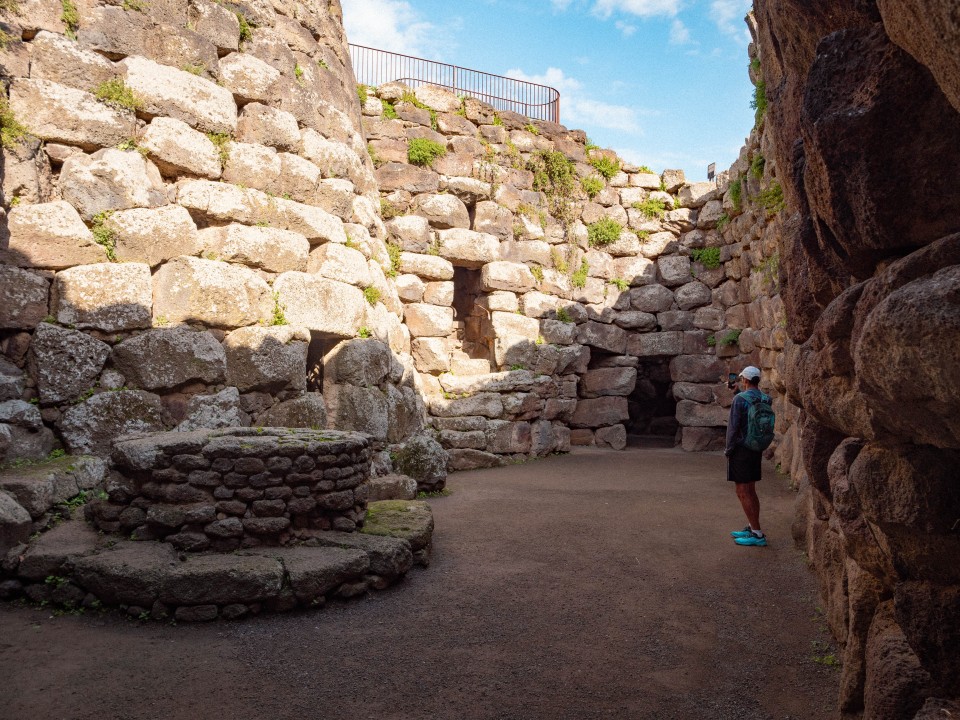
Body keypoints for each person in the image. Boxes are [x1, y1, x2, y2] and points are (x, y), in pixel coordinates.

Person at [725, 365, 768, 547]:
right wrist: (737, 393)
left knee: (742, 491)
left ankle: (757, 534)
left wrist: (728, 449)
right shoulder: (766, 398)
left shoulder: (740, 400)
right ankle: (752, 527)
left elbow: (733, 427)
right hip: (756, 447)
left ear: (745, 380)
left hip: (741, 449)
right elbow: (749, 410)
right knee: (750, 489)